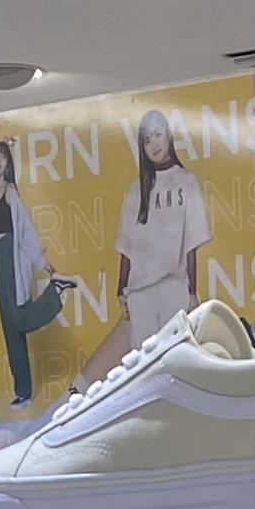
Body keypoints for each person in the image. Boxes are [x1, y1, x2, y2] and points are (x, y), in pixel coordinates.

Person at [93, 106, 210, 375]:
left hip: (174, 284)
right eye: (147, 139)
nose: (153, 143)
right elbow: (127, 247)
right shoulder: (135, 192)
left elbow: (192, 241)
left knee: (180, 361)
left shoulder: (187, 182)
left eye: (157, 135)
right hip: (140, 293)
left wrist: (192, 291)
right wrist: (120, 290)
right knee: (145, 368)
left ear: (168, 136)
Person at [0, 139, 76, 408]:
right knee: (10, 328)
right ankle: (23, 391)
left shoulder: (11, 193)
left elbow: (26, 231)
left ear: (8, 165)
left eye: (3, 157)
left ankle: (55, 293)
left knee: (18, 319)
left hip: (11, 254)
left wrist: (43, 261)